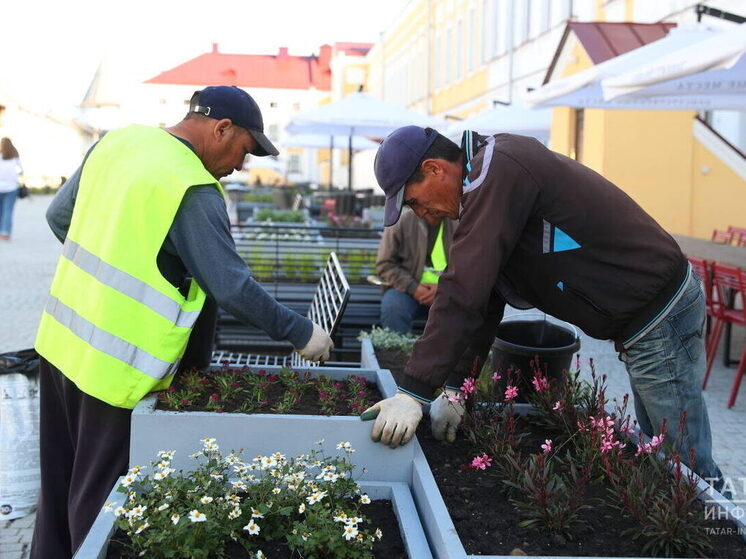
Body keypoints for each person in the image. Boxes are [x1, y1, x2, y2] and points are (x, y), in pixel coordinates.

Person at [30, 86, 334, 559]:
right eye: (244, 150)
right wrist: (302, 332)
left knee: (58, 482)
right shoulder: (190, 186)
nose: (241, 166)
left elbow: (58, 216)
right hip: (116, 367)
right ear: (221, 129)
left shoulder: (119, 142)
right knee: (99, 498)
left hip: (60, 342)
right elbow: (231, 287)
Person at [363, 125, 723, 488]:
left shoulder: (499, 167)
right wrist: (456, 386)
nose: (420, 214)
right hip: (644, 322)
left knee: (686, 468)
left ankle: (722, 538)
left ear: (435, 169)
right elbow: (485, 297)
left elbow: (462, 290)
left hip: (660, 314)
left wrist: (413, 392)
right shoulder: (480, 190)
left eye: (412, 200)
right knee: (666, 455)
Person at [375, 206, 455, 334]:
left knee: (466, 309)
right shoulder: (400, 219)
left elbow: (470, 265)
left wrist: (443, 289)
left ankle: (452, 353)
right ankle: (397, 351)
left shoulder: (459, 220)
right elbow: (385, 264)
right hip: (406, 290)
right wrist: (414, 289)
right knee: (393, 308)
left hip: (448, 291)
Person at [0, 137, 23, 240]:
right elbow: (21, 171)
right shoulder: (15, 157)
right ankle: (5, 233)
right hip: (12, 187)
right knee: (8, 210)